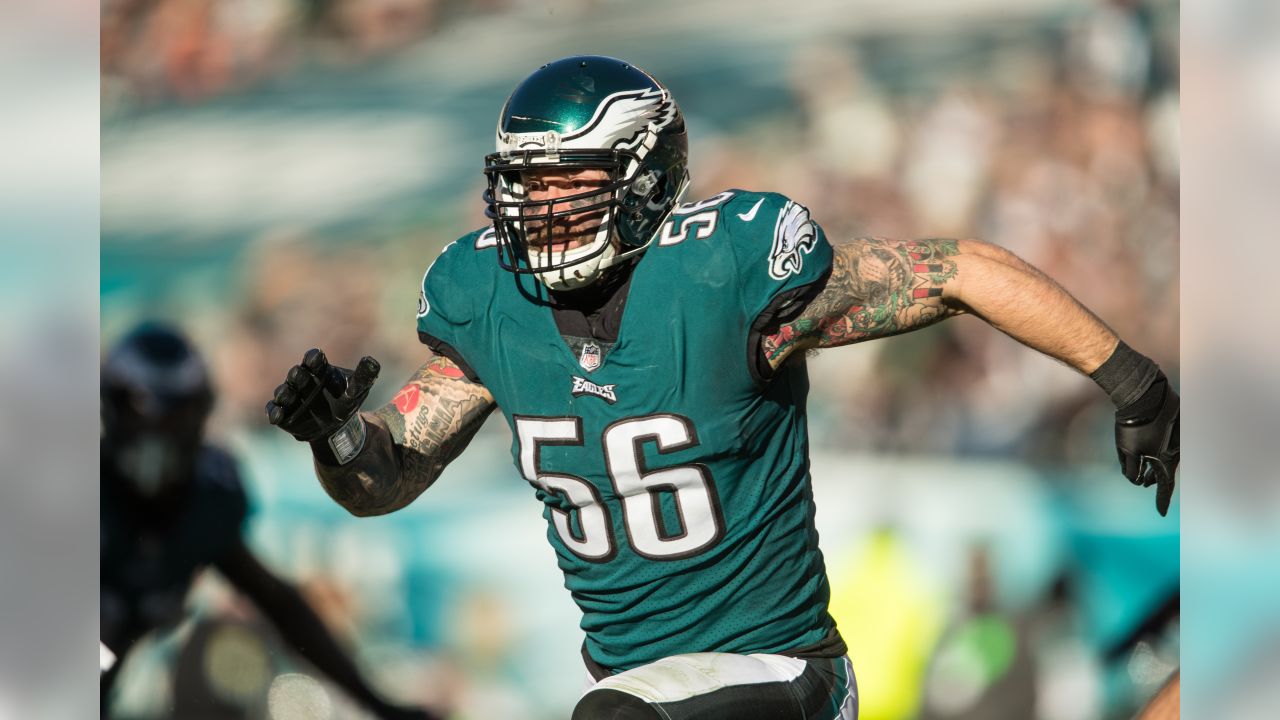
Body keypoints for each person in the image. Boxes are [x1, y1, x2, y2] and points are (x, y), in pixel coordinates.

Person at [264, 55, 1180, 719]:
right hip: (644, 695)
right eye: (525, 190)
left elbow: (959, 270)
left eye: (567, 185)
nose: (540, 214)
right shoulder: (495, 306)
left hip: (782, 675)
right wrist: (337, 437)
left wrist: (1133, 382)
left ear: (644, 176)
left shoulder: (720, 276)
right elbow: (381, 483)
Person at [101, 322, 433, 720]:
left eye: (175, 419)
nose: (158, 438)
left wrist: (379, 704)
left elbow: (281, 606)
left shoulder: (206, 501)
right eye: (143, 418)